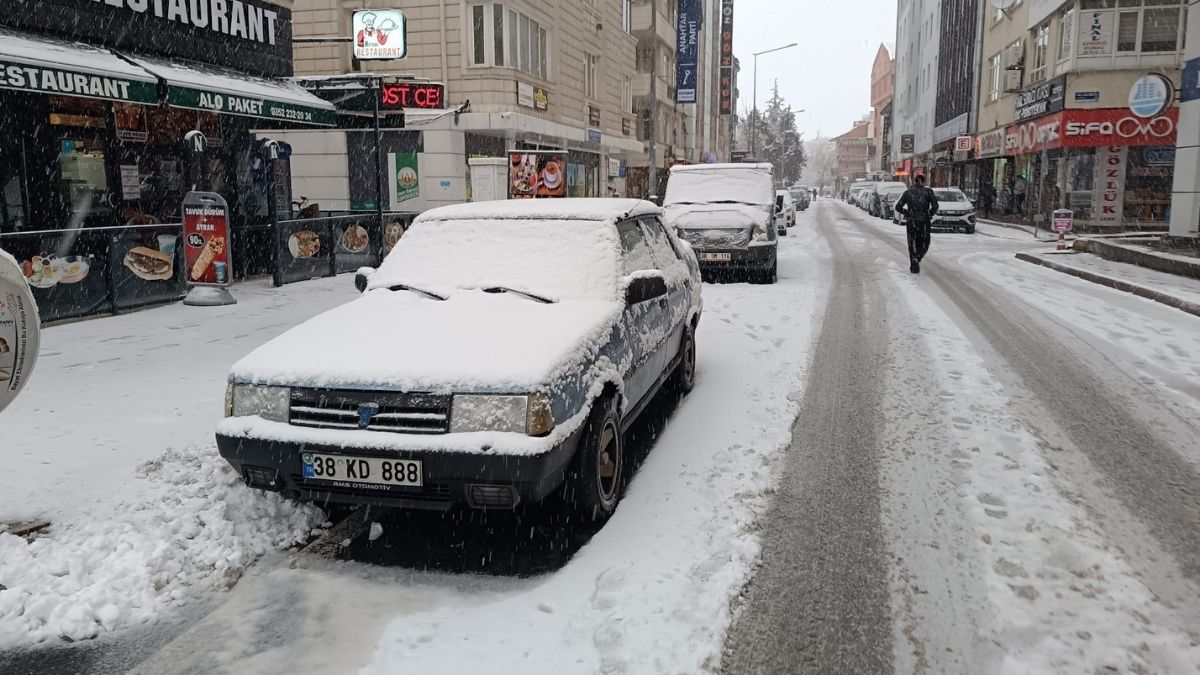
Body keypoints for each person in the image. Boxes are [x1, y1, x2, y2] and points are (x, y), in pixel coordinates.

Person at [894, 174, 939, 274]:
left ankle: (914, 262)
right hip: (924, 221)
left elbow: (898, 207)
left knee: (912, 242)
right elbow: (935, 206)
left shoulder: (908, 193)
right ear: (923, 182)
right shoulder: (928, 192)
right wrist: (929, 213)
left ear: (915, 182)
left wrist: (908, 213)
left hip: (912, 221)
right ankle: (918, 256)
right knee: (925, 242)